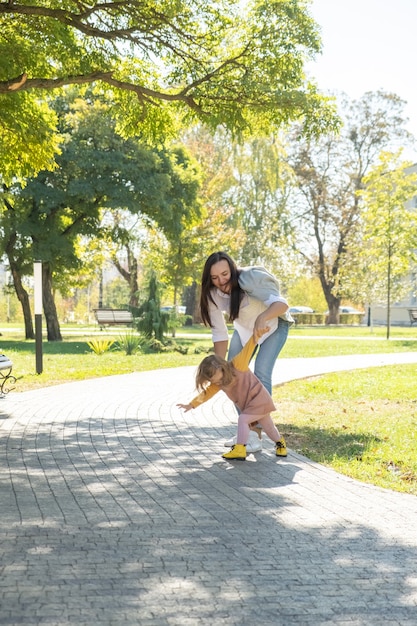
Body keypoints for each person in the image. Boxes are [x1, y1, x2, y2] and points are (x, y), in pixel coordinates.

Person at [199, 251, 293, 452]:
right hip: (244, 331)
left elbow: (282, 305)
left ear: (232, 268)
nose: (221, 281)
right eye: (214, 278)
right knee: (229, 376)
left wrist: (263, 317)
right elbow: (219, 332)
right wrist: (218, 363)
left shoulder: (250, 278)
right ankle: (248, 432)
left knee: (261, 372)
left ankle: (256, 435)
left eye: (225, 274)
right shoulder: (213, 294)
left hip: (273, 327)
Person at [177, 334, 287, 461]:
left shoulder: (238, 365)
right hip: (252, 405)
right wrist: (191, 404)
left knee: (243, 419)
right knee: (269, 428)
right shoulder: (218, 384)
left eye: (218, 379)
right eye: (214, 382)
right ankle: (281, 444)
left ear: (221, 368)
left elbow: (248, 349)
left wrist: (256, 335)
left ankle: (240, 449)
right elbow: (206, 394)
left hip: (259, 399)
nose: (217, 383)